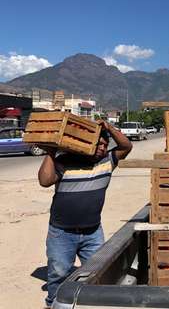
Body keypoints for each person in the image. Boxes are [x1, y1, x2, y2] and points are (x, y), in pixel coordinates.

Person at [38, 120, 132, 308]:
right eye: (99, 143)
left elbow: (126, 145)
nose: (103, 148)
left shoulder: (108, 162)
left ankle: (90, 303)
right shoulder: (64, 161)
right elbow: (44, 180)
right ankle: (53, 304)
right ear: (87, 142)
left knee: (98, 271)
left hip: (92, 232)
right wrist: (50, 151)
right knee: (58, 273)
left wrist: (109, 129)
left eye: (105, 145)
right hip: (62, 232)